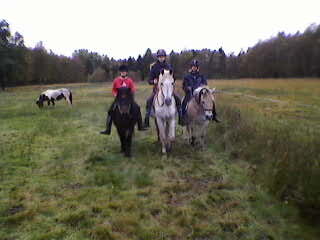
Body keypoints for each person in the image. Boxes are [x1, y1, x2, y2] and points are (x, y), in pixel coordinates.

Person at [100, 65, 146, 135]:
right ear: (120, 72)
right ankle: (108, 129)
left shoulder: (129, 80)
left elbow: (133, 89)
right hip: (118, 99)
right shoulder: (116, 80)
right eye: (122, 72)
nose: (123, 73)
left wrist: (131, 94)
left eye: (124, 72)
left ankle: (140, 125)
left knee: (137, 107)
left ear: (126, 72)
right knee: (110, 110)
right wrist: (115, 94)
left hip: (128, 99)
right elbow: (114, 90)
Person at [144, 49, 182, 127]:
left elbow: (174, 77)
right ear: (157, 57)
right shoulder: (154, 67)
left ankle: (181, 117)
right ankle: (146, 119)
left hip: (168, 88)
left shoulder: (169, 66)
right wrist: (153, 81)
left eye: (162, 56)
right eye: (160, 57)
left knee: (178, 99)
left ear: (165, 57)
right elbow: (149, 80)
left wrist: (172, 80)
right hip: (157, 89)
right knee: (149, 100)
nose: (161, 58)